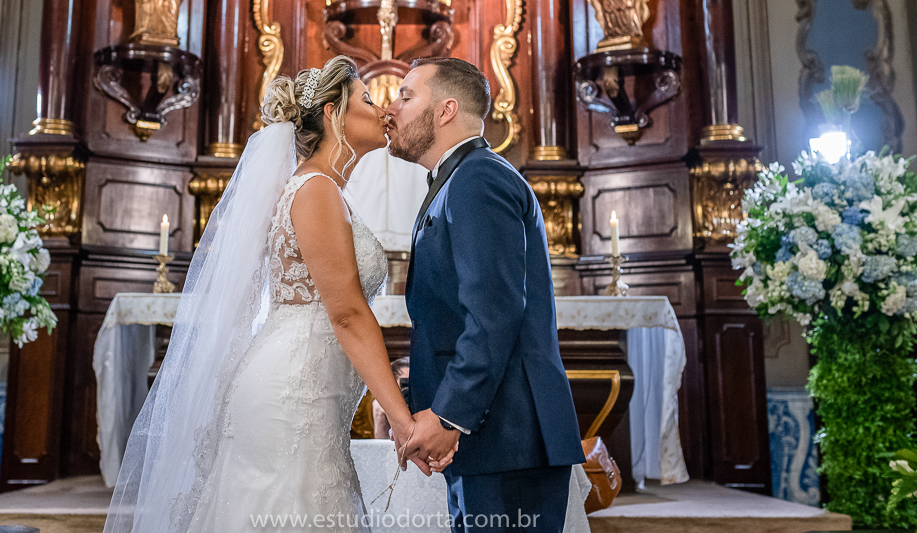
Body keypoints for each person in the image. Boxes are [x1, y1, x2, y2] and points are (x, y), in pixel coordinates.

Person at [104, 55, 446, 533]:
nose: (383, 110)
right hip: (291, 398)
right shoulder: (316, 189)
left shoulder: (323, 188)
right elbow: (347, 314)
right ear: (333, 113)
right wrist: (403, 420)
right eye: (368, 99)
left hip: (307, 396)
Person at [385, 57, 585, 533]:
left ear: (446, 110)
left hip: (507, 436)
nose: (390, 108)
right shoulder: (459, 178)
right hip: (490, 436)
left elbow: (493, 314)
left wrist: (448, 416)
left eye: (406, 96)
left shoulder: (478, 178)